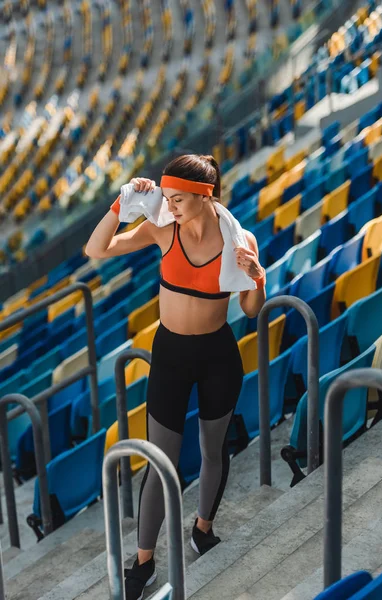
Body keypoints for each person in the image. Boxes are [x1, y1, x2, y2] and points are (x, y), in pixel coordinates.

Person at [85, 154, 266, 600]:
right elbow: (96, 250)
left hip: (218, 355)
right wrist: (121, 203)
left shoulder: (240, 240)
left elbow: (251, 311)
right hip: (170, 356)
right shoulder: (161, 229)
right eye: (167, 198)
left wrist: (258, 280)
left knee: (212, 450)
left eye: (179, 199)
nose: (171, 206)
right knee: (159, 461)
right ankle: (143, 560)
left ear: (205, 196)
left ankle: (202, 528)